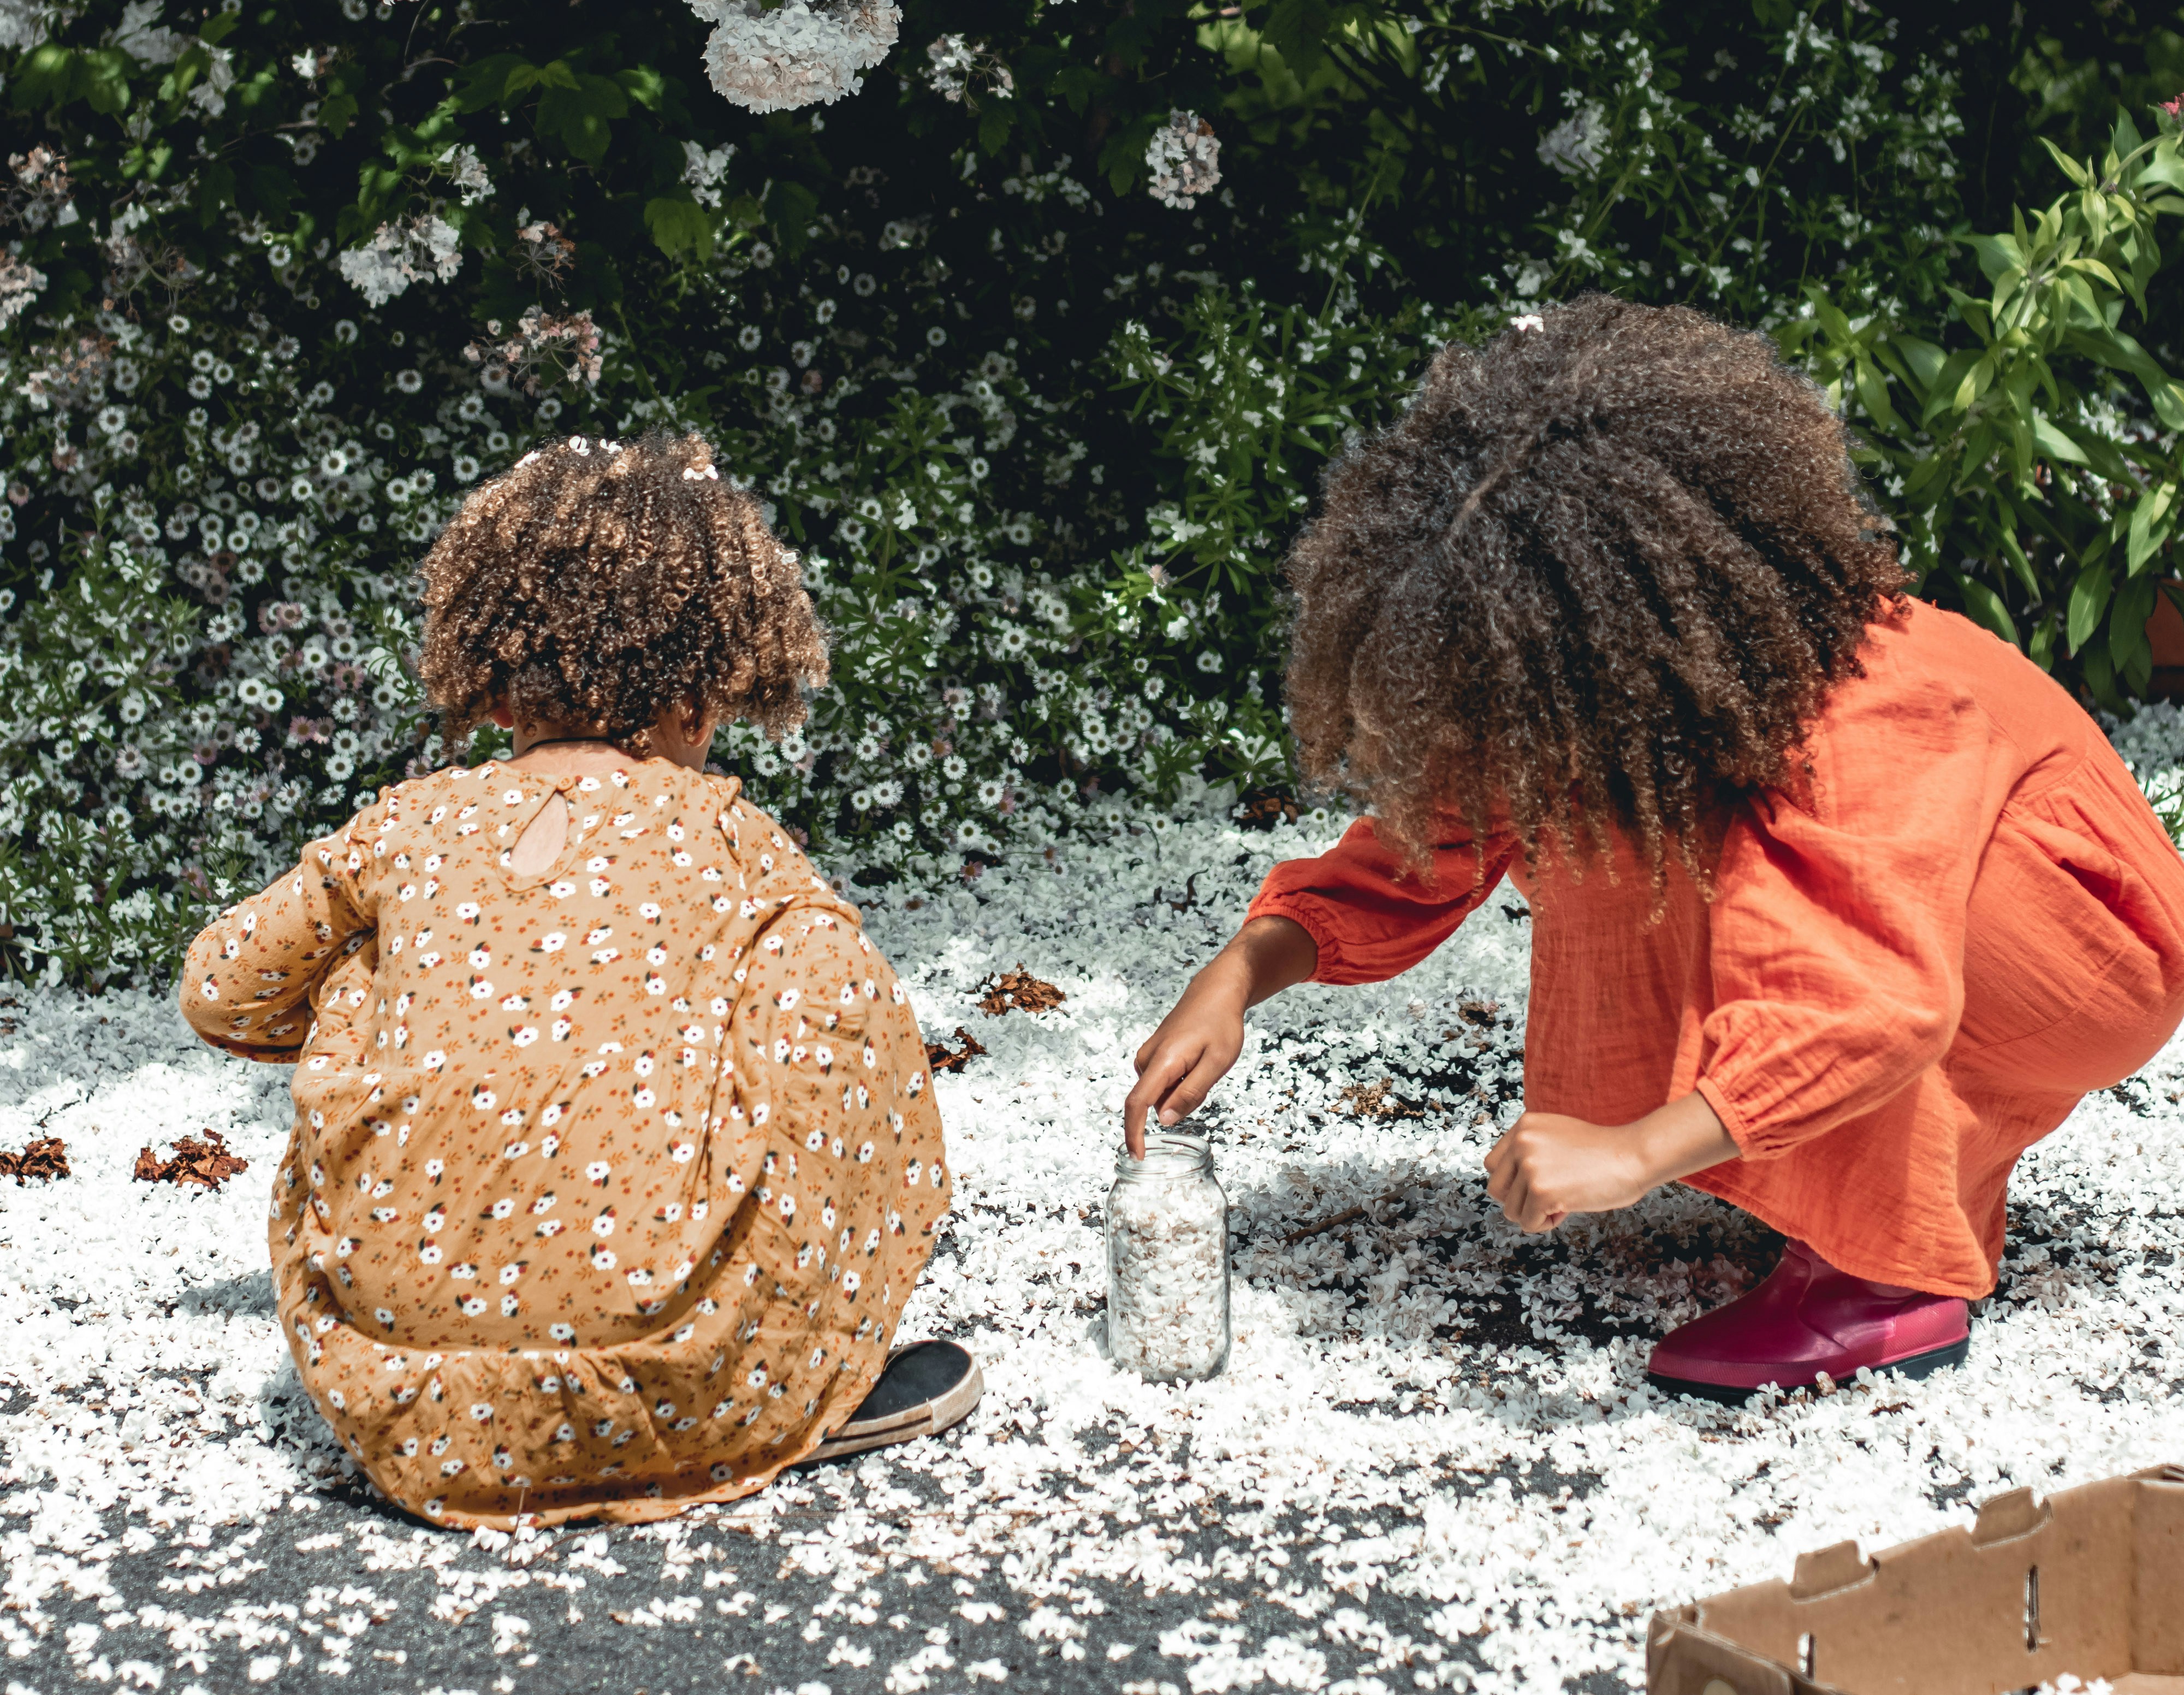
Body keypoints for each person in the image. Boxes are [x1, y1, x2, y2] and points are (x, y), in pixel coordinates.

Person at [1124, 298, 2184, 1400]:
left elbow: (1872, 994)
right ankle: (1784, 1170)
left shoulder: (1859, 718)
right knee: (1593, 816)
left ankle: (1886, 1282)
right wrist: (1246, 967)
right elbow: (1437, 832)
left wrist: (1633, 1154)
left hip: (2074, 960)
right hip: (1919, 945)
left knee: (1762, 895)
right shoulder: (1626, 702)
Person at [179, 430, 976, 1528]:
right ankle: (804, 1361)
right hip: (692, 1390)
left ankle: (441, 1291)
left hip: (406, 1408)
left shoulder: (406, 830)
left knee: (365, 956)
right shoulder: (726, 837)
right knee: (817, 966)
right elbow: (838, 1021)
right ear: (702, 695)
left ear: (495, 687)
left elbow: (221, 990)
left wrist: (415, 998)